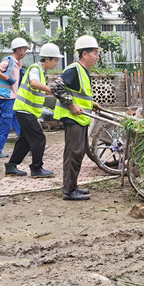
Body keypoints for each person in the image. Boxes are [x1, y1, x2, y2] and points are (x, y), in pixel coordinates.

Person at [52, 35, 102, 201]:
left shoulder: (83, 71)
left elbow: (79, 94)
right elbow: (56, 87)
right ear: (85, 54)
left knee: (76, 154)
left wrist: (91, 104)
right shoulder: (74, 69)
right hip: (73, 118)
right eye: (95, 53)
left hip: (80, 119)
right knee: (74, 154)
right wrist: (72, 105)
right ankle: (69, 191)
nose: (97, 57)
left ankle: (71, 186)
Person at [4, 43, 63, 177]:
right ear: (47, 59)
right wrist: (52, 91)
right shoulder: (35, 69)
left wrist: (49, 91)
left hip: (25, 110)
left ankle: (11, 166)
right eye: (55, 60)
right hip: (25, 110)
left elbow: (37, 88)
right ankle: (36, 169)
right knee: (39, 138)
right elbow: (34, 83)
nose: (56, 63)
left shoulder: (41, 72)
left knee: (25, 140)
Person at [0, 38, 29, 158]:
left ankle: (30, 144)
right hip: (7, 99)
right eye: (25, 50)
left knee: (20, 122)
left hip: (13, 98)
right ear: (19, 49)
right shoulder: (9, 60)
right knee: (4, 124)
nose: (25, 52)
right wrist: (7, 79)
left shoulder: (17, 64)